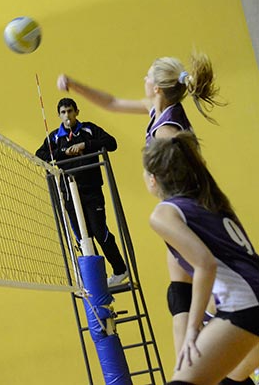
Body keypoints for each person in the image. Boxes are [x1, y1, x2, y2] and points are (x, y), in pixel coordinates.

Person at [56, 52, 223, 358]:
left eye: (148, 76)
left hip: (187, 216)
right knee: (178, 296)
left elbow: (191, 179)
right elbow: (112, 103)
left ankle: (227, 350)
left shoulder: (167, 132)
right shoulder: (156, 110)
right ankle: (189, 365)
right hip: (178, 213)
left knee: (211, 294)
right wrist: (75, 85)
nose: (143, 80)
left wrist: (155, 182)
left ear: (158, 87)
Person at [142, 132, 259, 385]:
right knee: (234, 374)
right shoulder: (208, 202)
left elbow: (206, 265)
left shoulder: (164, 214)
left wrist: (193, 330)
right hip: (253, 301)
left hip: (246, 305)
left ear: (153, 179)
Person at [35, 97, 128, 286]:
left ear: (77, 112)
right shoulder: (54, 137)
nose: (67, 115)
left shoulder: (89, 129)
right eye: (63, 112)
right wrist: (64, 153)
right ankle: (95, 280)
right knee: (82, 237)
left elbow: (111, 143)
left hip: (91, 189)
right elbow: (40, 155)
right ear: (59, 115)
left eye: (70, 111)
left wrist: (86, 145)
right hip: (69, 192)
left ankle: (120, 270)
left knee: (99, 231)